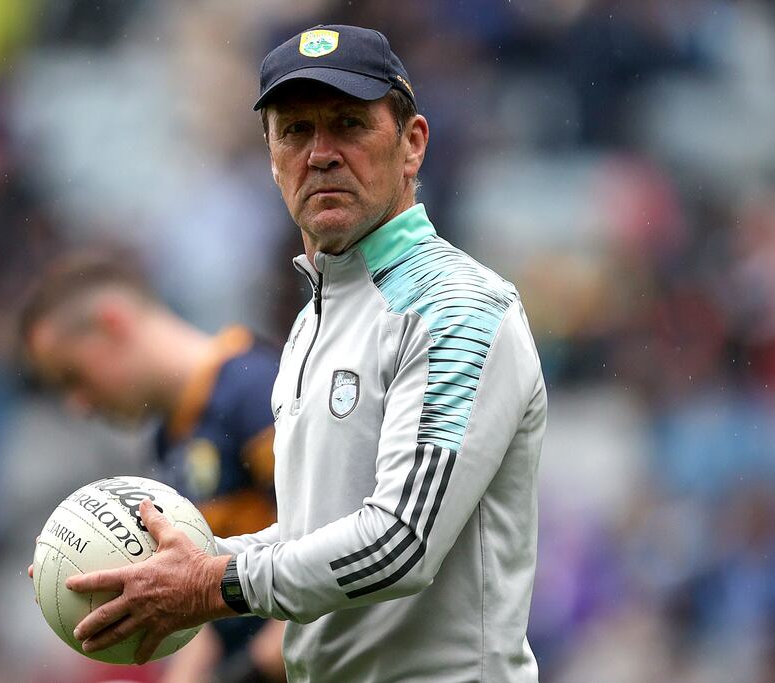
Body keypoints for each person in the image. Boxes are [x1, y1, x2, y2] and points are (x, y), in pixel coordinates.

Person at [58, 24, 547, 683]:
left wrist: (214, 580)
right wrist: (166, 566)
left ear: (413, 145)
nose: (321, 153)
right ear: (270, 156)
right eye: (295, 131)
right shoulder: (317, 318)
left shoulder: (454, 306)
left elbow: (399, 543)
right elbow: (313, 533)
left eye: (349, 123)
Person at [19, 251, 286, 682]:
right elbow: (211, 609)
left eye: (73, 376)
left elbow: (331, 543)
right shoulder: (171, 442)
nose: (78, 406)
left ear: (113, 324)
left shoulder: (257, 391)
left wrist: (258, 666)